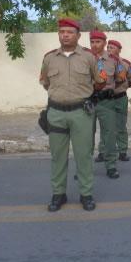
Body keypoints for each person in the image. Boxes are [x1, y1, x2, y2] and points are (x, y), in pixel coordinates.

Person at [39, 19, 106, 212]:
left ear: (78, 35)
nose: (65, 35)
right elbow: (45, 82)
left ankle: (86, 194)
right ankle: (58, 194)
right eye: (62, 32)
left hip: (81, 113)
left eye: (69, 32)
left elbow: (100, 81)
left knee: (83, 155)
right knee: (57, 156)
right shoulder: (49, 58)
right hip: (56, 113)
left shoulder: (89, 57)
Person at [89, 30, 127, 179]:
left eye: (98, 41)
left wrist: (108, 89)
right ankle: (85, 169)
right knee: (86, 137)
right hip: (89, 102)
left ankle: (111, 166)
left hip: (107, 102)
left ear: (104, 43)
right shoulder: (84, 57)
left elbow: (120, 78)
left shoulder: (113, 60)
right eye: (92, 41)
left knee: (110, 135)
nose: (94, 44)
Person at [104, 39, 131, 161]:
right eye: (108, 47)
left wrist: (122, 87)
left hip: (120, 98)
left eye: (112, 47)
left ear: (119, 50)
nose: (109, 50)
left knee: (121, 126)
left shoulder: (126, 64)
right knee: (106, 127)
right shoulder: (100, 63)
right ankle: (103, 152)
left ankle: (122, 151)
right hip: (105, 99)